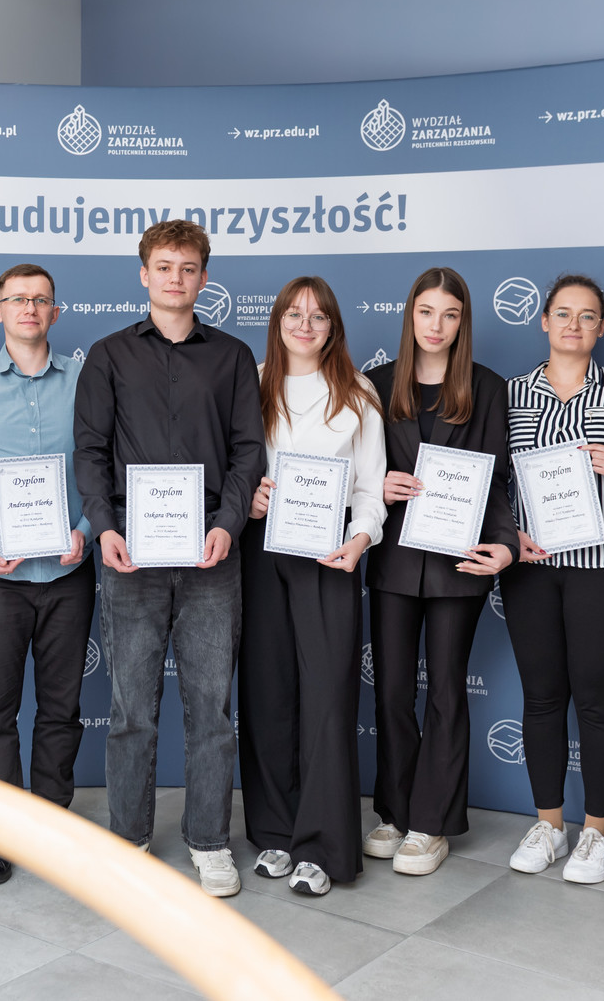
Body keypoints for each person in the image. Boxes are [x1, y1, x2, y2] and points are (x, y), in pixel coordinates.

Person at [73, 220, 265, 897]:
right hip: (131, 554)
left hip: (213, 555)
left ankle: (210, 842)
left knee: (212, 710)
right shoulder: (108, 355)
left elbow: (248, 451)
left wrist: (229, 524)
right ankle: (128, 840)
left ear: (204, 278)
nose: (175, 278)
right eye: (164, 266)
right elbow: (90, 452)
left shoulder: (233, 357)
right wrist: (104, 528)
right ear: (144, 274)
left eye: (187, 268)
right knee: (132, 709)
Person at [0, 262, 95, 887]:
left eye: (41, 299)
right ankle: (0, 837)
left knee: (61, 709)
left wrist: (85, 530)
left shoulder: (86, 382)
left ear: (55, 311)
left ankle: (52, 829)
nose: (29, 308)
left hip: (67, 574)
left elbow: (102, 471)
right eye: (18, 299)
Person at [499, 274, 604, 885]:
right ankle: (549, 826)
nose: (574, 325)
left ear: (601, 327)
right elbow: (498, 481)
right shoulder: (512, 393)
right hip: (533, 567)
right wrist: (510, 533)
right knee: (540, 699)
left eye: (587, 316)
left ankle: (597, 833)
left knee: (595, 700)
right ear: (543, 321)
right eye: (563, 313)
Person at [363, 266, 517, 877]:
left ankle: (431, 824)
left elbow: (497, 477)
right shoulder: (376, 385)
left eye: (450, 315)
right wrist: (377, 487)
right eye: (426, 312)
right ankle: (394, 812)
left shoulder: (487, 387)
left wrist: (504, 545)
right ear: (410, 316)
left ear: (463, 323)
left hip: (461, 562)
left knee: (447, 691)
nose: (436, 325)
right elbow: (357, 471)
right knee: (392, 690)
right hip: (394, 560)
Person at [240, 277, 386, 896]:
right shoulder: (250, 383)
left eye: (318, 316)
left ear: (333, 327)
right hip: (261, 551)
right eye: (294, 314)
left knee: (327, 697)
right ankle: (276, 832)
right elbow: (232, 468)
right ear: (277, 321)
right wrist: (246, 500)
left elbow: (371, 486)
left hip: (331, 556)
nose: (305, 325)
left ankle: (323, 847)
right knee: (268, 692)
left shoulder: (358, 391)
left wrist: (361, 538)